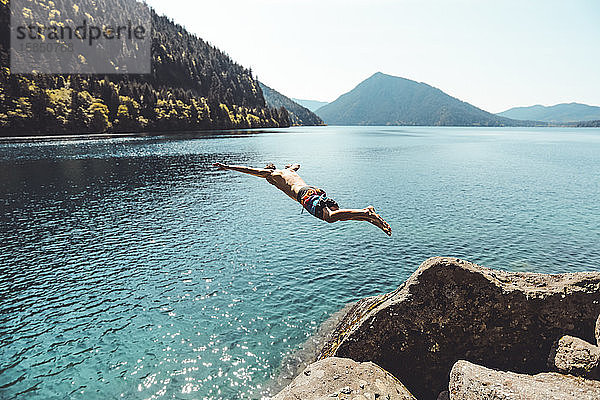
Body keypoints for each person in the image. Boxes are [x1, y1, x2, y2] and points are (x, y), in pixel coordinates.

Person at [212, 162, 392, 236]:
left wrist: (226, 166)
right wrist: (291, 166)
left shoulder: (271, 174)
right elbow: (297, 164)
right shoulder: (288, 171)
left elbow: (250, 170)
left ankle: (366, 212)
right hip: (313, 190)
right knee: (335, 214)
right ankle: (367, 218)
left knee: (330, 218)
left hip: (304, 196)